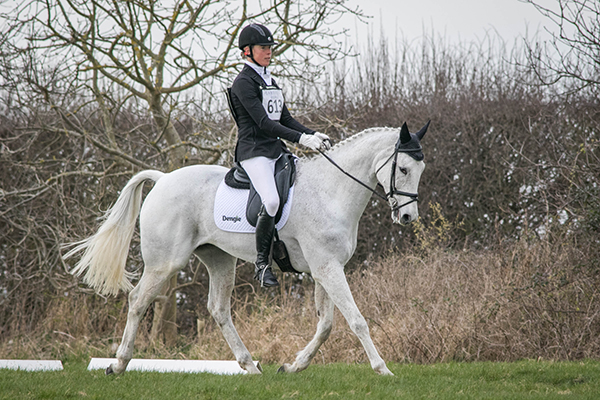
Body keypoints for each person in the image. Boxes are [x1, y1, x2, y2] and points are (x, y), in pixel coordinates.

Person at [228, 23, 330, 287]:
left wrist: (312, 133)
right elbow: (263, 123)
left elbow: (284, 118)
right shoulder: (243, 83)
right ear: (247, 51)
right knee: (271, 201)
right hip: (254, 153)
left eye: (270, 48)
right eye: (263, 48)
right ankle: (262, 264)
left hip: (275, 151)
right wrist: (301, 139)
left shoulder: (269, 80)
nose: (268, 52)